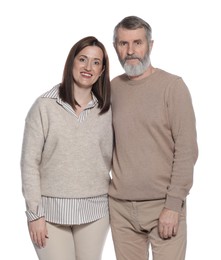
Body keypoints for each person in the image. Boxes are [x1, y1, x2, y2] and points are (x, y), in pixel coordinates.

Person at [108, 16, 198, 260]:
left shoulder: (173, 87)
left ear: (150, 45)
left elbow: (187, 150)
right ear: (115, 46)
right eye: (123, 44)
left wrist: (173, 205)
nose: (130, 51)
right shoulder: (112, 88)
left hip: (163, 205)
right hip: (121, 209)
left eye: (137, 42)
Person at [20, 36, 113, 260]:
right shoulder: (45, 106)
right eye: (82, 59)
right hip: (50, 213)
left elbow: (115, 158)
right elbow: (29, 163)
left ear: (101, 71)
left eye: (96, 62)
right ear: (71, 62)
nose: (88, 67)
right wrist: (34, 215)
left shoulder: (106, 110)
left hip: (96, 211)